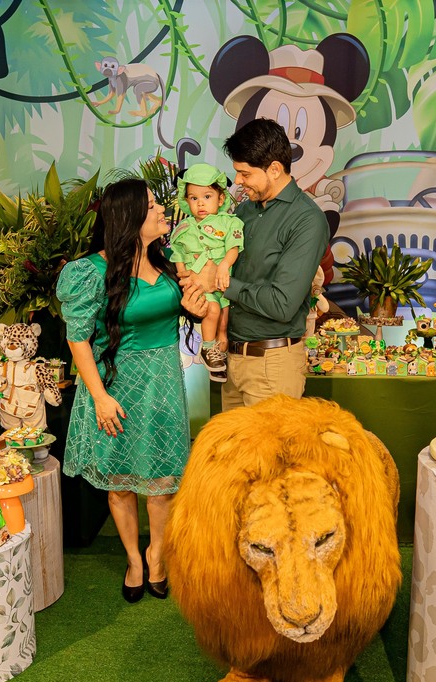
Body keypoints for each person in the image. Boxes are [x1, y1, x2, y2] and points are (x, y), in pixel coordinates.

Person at [57, 178, 209, 603]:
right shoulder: (90, 272)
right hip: (117, 387)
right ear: (130, 217)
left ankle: (156, 556)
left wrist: (192, 312)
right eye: (152, 204)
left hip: (163, 384)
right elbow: (77, 339)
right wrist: (100, 398)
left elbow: (174, 312)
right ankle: (134, 561)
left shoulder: (167, 260)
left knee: (161, 481)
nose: (162, 209)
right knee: (121, 483)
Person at [181, 118, 330, 409]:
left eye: (245, 173)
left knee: (269, 442)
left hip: (272, 366)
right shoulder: (244, 213)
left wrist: (220, 284)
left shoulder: (306, 220)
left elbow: (283, 304)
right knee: (231, 442)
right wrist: (199, 298)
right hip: (231, 361)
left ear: (274, 169)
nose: (237, 181)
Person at [169, 163, 244, 383]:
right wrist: (184, 277)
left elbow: (234, 247)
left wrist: (224, 265)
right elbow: (178, 254)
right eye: (194, 198)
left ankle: (218, 357)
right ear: (186, 200)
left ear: (221, 199)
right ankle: (208, 347)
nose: (200, 203)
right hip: (199, 285)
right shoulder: (183, 228)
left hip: (223, 282)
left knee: (224, 321)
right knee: (212, 309)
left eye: (207, 196)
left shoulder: (230, 223)